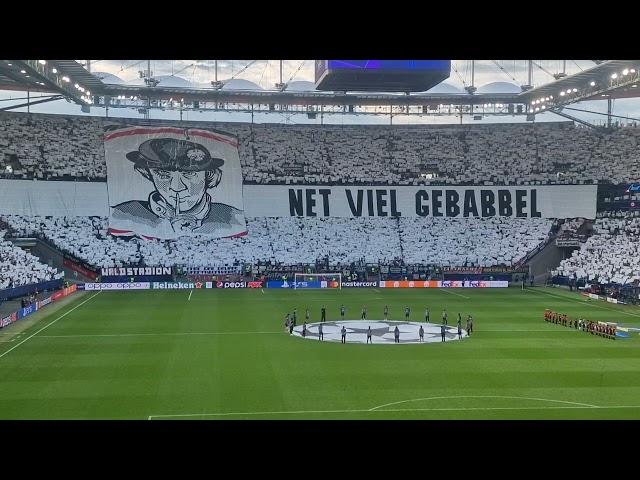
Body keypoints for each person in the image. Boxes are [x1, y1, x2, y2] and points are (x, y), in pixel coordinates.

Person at [110, 137, 244, 237]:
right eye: (163, 174)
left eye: (189, 174)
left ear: (208, 175)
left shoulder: (233, 219)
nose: (177, 187)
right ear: (149, 174)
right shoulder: (123, 215)